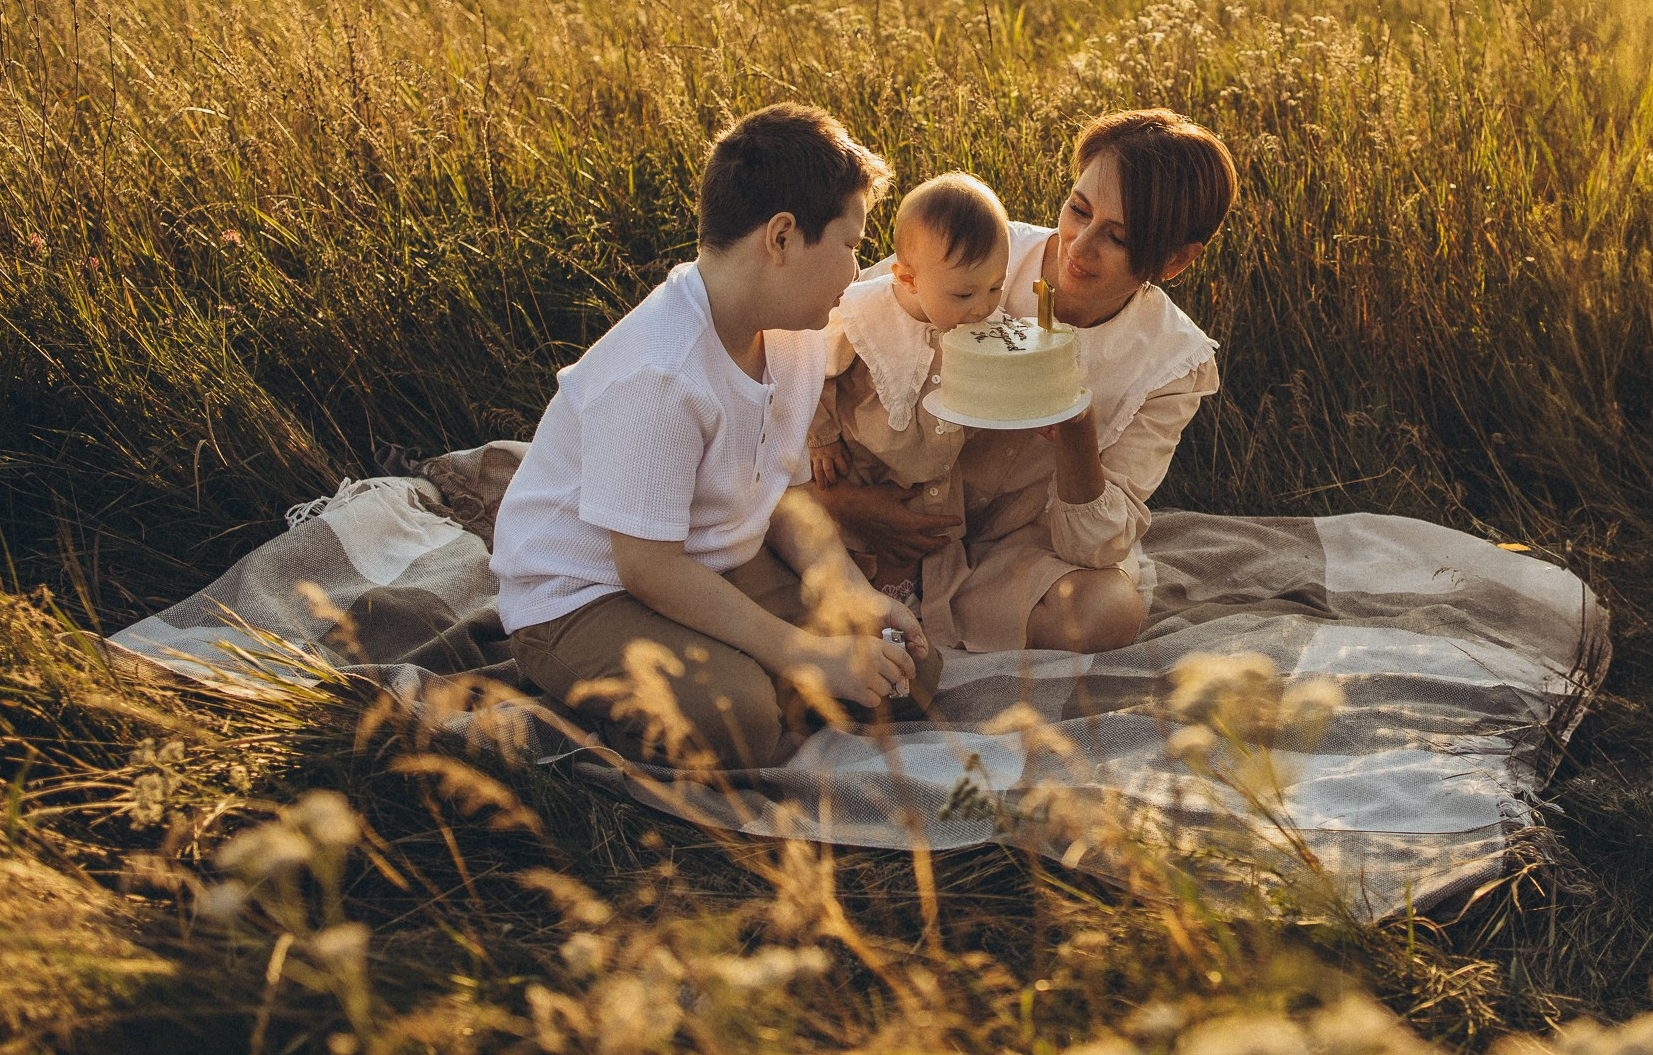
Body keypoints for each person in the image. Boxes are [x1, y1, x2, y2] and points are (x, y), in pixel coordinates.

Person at [491, 103, 935, 771]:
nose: (856, 268)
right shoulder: (659, 370)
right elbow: (646, 565)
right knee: (742, 720)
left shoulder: (795, 334)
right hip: (588, 592)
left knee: (905, 673)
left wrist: (849, 590)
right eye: (849, 244)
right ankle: (579, 702)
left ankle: (764, 677)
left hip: (710, 558)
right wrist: (805, 652)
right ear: (781, 237)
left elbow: (782, 489)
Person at [815, 110, 1237, 653]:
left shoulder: (1172, 362)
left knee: (1107, 612)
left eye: (1119, 237)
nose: (1079, 247)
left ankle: (936, 610)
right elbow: (841, 325)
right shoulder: (982, 254)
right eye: (1078, 210)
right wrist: (842, 502)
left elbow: (1097, 546)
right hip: (885, 511)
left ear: (1174, 261)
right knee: (776, 541)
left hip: (1014, 552)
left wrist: (1077, 435)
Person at [807, 172, 1011, 601]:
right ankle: (862, 596)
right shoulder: (865, 315)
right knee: (850, 542)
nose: (981, 308)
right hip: (864, 461)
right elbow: (813, 369)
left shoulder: (982, 319)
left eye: (995, 287)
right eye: (963, 295)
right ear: (908, 278)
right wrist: (822, 438)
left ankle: (906, 593)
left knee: (923, 534)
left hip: (933, 466)